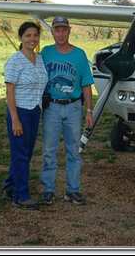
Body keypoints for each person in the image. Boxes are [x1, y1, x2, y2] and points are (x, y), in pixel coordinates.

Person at [40, 16, 94, 206]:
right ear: (52, 32)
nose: (60, 33)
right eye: (57, 30)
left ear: (69, 31)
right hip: (52, 107)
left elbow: (86, 84)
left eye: (64, 30)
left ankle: (73, 190)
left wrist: (88, 110)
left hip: (73, 107)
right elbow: (36, 76)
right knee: (49, 150)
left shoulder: (79, 54)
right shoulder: (45, 53)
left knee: (74, 150)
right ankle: (48, 190)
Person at [2, 21, 48, 210]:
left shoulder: (39, 59)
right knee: (20, 155)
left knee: (25, 154)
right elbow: (9, 92)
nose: (32, 39)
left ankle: (10, 186)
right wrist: (15, 119)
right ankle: (21, 195)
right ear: (21, 38)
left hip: (34, 111)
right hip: (19, 111)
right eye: (28, 35)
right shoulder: (15, 61)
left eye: (35, 35)